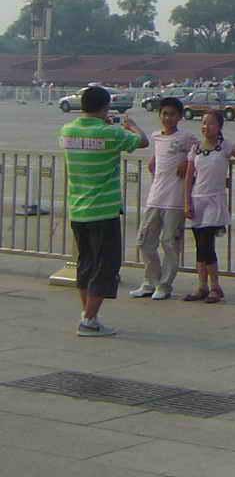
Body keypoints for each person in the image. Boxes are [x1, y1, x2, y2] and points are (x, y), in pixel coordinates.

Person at [58, 85, 149, 337]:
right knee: (106, 265)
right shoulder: (111, 133)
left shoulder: (67, 130)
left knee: (86, 264)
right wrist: (131, 126)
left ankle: (90, 316)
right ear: (105, 106)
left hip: (78, 208)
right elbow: (142, 141)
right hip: (103, 210)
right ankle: (88, 320)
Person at [183, 111, 235, 303]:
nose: (206, 127)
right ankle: (202, 286)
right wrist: (187, 202)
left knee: (207, 244)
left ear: (219, 127)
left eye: (210, 123)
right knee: (200, 246)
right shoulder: (195, 149)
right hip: (197, 199)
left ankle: (215, 287)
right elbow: (189, 177)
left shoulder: (226, 146)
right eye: (203, 123)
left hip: (215, 201)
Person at [129, 97, 197, 301]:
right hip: (155, 197)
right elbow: (156, 160)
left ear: (180, 116)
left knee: (170, 244)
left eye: (172, 114)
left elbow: (202, 152)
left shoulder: (187, 138)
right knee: (145, 241)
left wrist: (188, 163)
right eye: (165, 114)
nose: (168, 118)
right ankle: (150, 281)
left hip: (175, 200)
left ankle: (165, 285)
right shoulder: (156, 136)